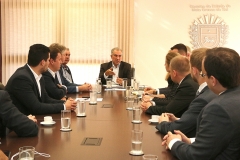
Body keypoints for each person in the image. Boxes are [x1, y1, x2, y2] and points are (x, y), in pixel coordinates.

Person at [162, 47, 240, 160]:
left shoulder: (218, 108)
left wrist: (172, 142)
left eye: (203, 74)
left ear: (213, 80)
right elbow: (227, 138)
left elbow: (195, 156)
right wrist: (191, 141)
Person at [156, 48, 217, 137]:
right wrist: (178, 119)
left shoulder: (203, 97)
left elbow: (177, 128)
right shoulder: (209, 91)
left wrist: (163, 122)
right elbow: (196, 120)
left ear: (194, 70)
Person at [5, 44, 77, 115]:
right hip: (19, 122)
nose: (49, 63)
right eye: (48, 60)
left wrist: (66, 102)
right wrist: (64, 106)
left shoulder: (39, 75)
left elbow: (45, 99)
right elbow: (36, 107)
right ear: (42, 62)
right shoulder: (21, 79)